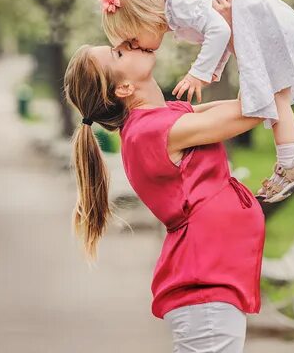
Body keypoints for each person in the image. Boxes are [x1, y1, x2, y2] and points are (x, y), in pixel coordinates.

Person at [63, 30, 264, 351]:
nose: (127, 45)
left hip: (213, 285)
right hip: (205, 289)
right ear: (124, 88)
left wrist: (227, 37)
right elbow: (256, 108)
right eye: (117, 54)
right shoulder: (150, 131)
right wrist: (234, 32)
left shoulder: (161, 117)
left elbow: (254, 102)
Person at [98, 0, 294, 203]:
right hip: (270, 27)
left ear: (145, 17)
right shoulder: (182, 7)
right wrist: (214, 70)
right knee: (273, 96)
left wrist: (198, 73)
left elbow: (220, 30)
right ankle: (287, 163)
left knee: (274, 96)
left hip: (271, 29)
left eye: (133, 39)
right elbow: (221, 32)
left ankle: (290, 164)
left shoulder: (181, 6)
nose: (137, 47)